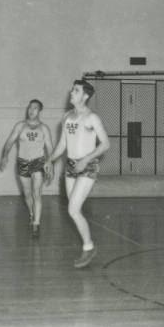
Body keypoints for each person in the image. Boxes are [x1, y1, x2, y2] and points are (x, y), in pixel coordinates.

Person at [49, 79, 110, 268]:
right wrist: (49, 160)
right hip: (71, 166)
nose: (71, 93)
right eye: (72, 90)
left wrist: (85, 160)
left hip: (88, 165)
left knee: (73, 209)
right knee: (74, 210)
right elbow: (63, 144)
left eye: (75, 90)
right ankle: (88, 245)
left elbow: (106, 144)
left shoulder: (92, 118)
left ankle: (88, 247)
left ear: (85, 96)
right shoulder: (67, 116)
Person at [0, 99, 54, 237]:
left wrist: (50, 163)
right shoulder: (20, 126)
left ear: (39, 111)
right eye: (30, 108)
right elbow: (9, 142)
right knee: (27, 194)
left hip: (38, 162)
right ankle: (31, 213)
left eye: (35, 108)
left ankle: (36, 223)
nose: (31, 110)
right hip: (22, 162)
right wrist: (5, 155)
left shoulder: (44, 128)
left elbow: (50, 148)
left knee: (37, 193)